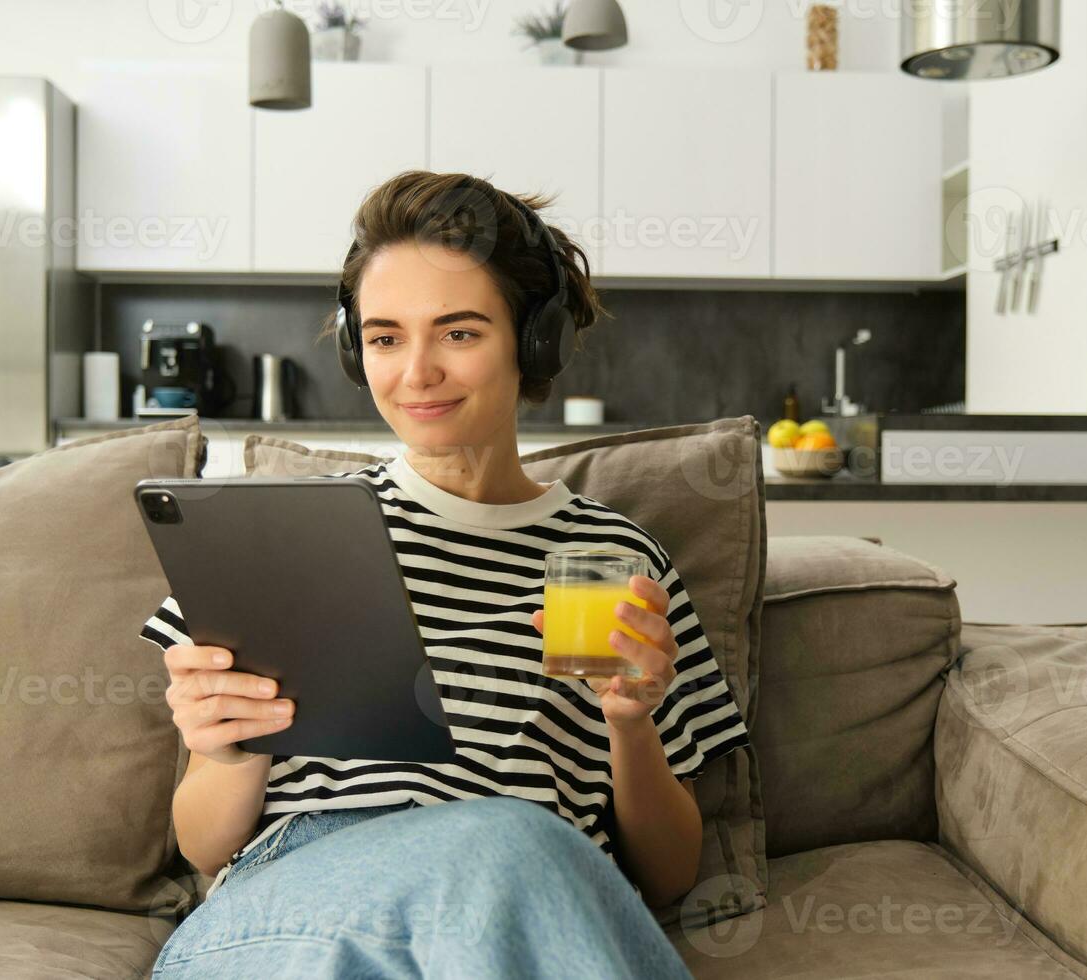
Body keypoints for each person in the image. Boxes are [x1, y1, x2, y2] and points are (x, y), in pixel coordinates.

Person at [139, 171, 752, 978]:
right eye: (386, 338)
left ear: (537, 341)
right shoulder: (283, 539)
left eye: (458, 333)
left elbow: (670, 875)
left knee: (517, 845)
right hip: (291, 907)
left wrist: (631, 724)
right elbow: (201, 844)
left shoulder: (615, 559)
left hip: (532, 898)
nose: (415, 372)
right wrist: (234, 746)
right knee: (511, 839)